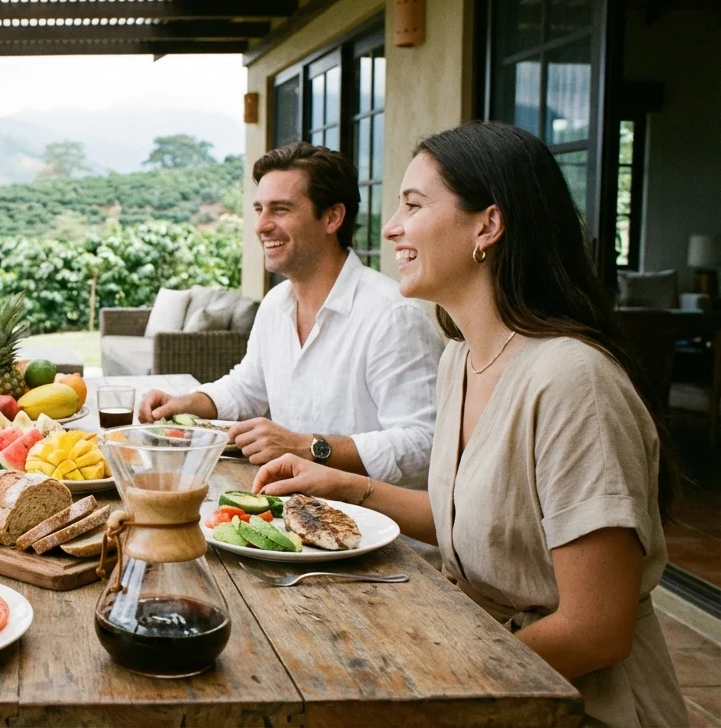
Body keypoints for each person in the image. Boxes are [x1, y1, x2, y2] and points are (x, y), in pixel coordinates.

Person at [252, 122, 686, 726]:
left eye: (413, 205)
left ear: (488, 224)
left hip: (574, 700)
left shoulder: (571, 381)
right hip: (489, 661)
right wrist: (342, 486)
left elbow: (596, 630)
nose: (393, 228)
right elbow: (483, 522)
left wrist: (437, 685)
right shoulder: (463, 356)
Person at [139, 142, 442, 489]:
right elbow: (247, 388)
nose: (261, 226)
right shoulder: (275, 304)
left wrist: (309, 447)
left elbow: (424, 443)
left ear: (332, 217)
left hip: (381, 532)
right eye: (259, 210)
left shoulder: (393, 316)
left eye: (280, 210)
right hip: (293, 511)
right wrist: (190, 402)